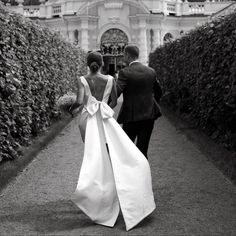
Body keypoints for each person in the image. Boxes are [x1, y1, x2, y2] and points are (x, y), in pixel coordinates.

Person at [72, 51, 156, 231]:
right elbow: (114, 102)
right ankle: (122, 192)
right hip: (104, 118)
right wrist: (104, 108)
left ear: (88, 64)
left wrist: (69, 108)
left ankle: (96, 197)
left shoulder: (82, 79)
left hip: (87, 119)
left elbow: (79, 101)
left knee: (94, 158)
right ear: (102, 63)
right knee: (115, 154)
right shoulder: (110, 79)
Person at [116, 45, 163, 158]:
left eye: (123, 55)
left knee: (127, 149)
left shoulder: (124, 72)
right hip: (148, 116)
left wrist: (104, 104)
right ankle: (144, 174)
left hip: (131, 117)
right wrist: (150, 103)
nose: (123, 58)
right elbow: (159, 92)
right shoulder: (151, 71)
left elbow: (117, 92)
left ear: (127, 55)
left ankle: (131, 174)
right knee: (143, 149)